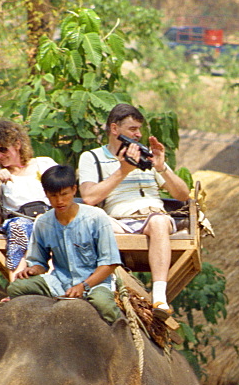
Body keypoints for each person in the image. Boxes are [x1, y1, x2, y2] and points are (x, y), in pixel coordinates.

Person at [78, 104, 191, 319]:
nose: (138, 134)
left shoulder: (147, 157)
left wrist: (161, 167)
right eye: (132, 129)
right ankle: (98, 286)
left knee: (158, 221)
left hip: (152, 218)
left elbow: (183, 195)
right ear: (114, 129)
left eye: (139, 129)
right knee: (93, 222)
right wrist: (123, 170)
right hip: (118, 220)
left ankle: (159, 297)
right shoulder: (91, 157)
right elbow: (90, 197)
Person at [7, 165, 122, 324]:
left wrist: (83, 286)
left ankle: (121, 336)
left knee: (104, 305)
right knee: (16, 288)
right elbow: (39, 262)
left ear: (74, 190)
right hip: (59, 283)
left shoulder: (96, 218)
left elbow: (109, 263)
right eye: (53, 196)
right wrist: (32, 269)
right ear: (46, 194)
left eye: (64, 194)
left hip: (95, 284)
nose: (59, 201)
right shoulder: (43, 222)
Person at [0, 119, 57, 273]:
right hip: (18, 222)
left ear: (17, 145)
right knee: (19, 227)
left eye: (3, 149)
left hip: (48, 219)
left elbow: (61, 190)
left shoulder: (42, 164)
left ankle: (56, 281)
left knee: (52, 227)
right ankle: (16, 283)